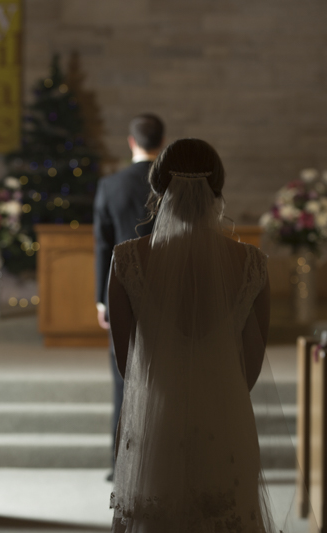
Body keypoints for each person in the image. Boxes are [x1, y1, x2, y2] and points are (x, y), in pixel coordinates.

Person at [107, 138, 274, 532]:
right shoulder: (252, 263)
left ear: (159, 188)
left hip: (156, 423)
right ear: (217, 189)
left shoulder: (127, 259)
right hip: (226, 422)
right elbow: (250, 365)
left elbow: (127, 364)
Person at [94, 113, 165, 481]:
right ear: (162, 143)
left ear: (130, 141)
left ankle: (119, 460)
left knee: (123, 377)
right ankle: (160, 455)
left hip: (122, 290)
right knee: (166, 375)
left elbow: (103, 245)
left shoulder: (111, 185)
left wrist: (102, 300)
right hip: (168, 292)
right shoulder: (171, 187)